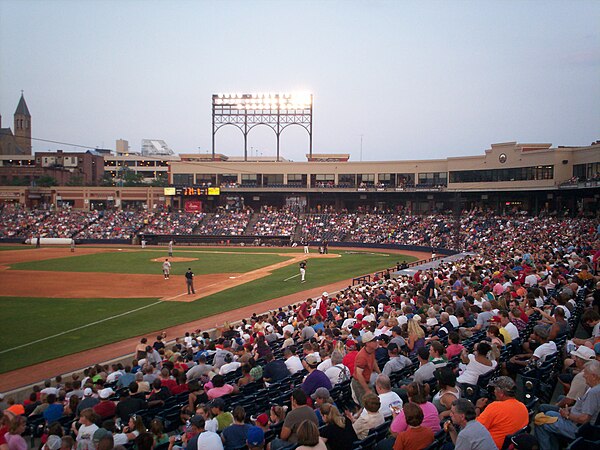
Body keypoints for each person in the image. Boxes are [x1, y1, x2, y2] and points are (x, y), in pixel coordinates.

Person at [534, 360, 600, 450]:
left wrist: (568, 415)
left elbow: (584, 419)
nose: (584, 376)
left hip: (578, 428)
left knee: (539, 420)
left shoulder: (594, 392)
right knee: (549, 413)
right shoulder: (593, 388)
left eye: (586, 373)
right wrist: (568, 409)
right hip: (575, 421)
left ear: (593, 376)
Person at [476, 376, 529, 449]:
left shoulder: (495, 407)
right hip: (510, 446)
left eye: (495, 389)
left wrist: (478, 407)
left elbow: (474, 428)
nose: (494, 391)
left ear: (501, 393)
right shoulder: (523, 407)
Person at [351, 331, 380, 406]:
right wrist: (367, 390)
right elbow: (359, 374)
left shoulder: (372, 350)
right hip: (359, 383)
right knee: (367, 405)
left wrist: (380, 374)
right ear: (367, 343)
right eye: (373, 341)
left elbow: (373, 362)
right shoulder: (362, 356)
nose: (376, 342)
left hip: (367, 380)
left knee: (374, 402)